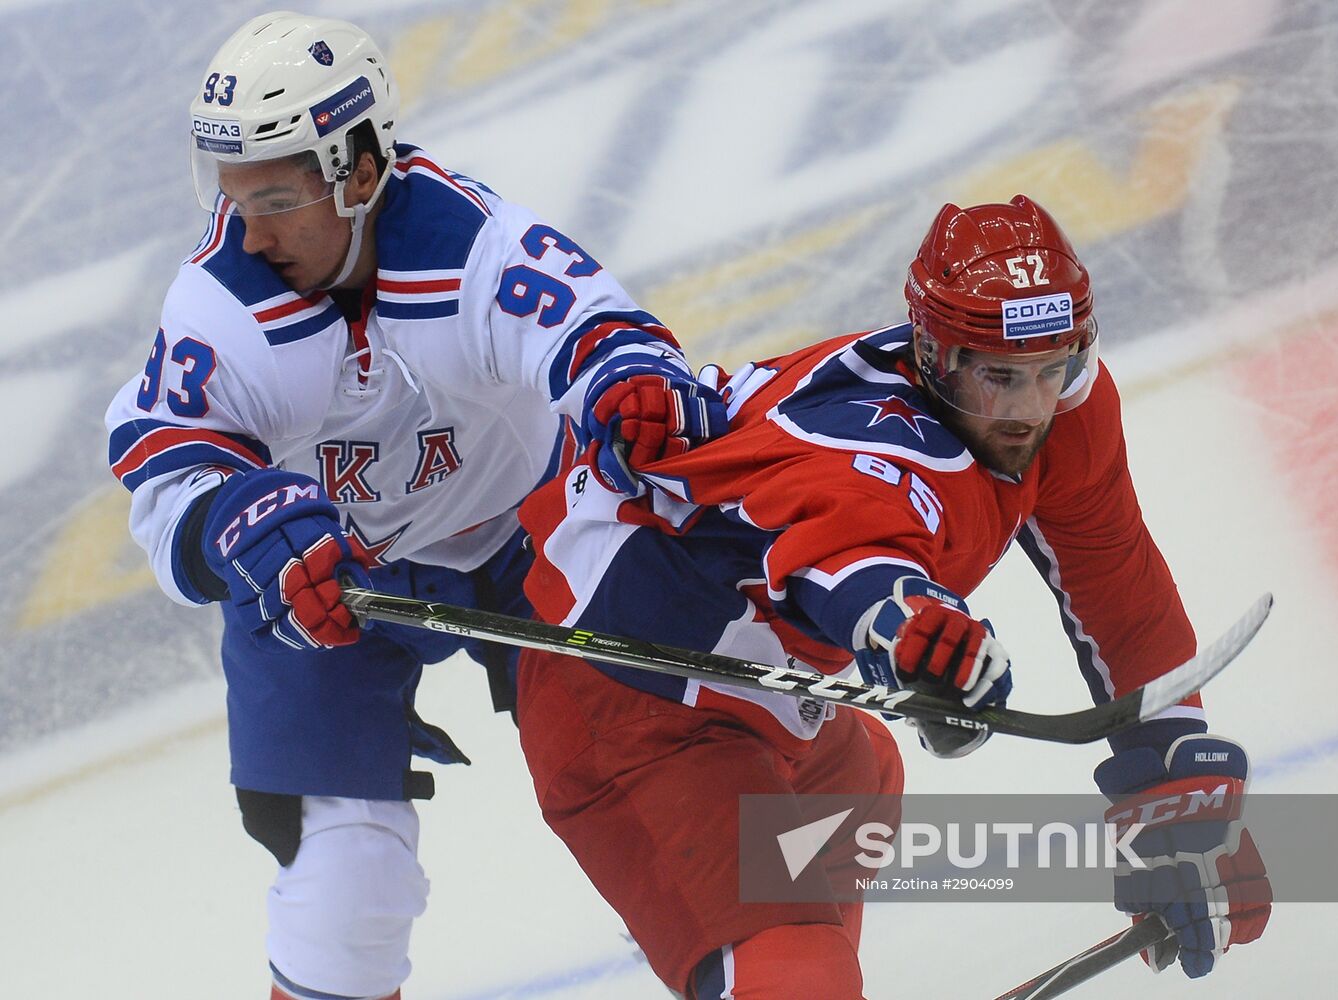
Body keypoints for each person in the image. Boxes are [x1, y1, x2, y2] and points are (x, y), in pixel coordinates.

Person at [104, 11, 725, 1000]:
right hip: (322, 579)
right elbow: (168, 467)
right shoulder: (221, 300)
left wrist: (631, 384)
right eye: (230, 195)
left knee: (660, 786)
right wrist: (243, 525)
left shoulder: (469, 244)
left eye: (272, 196)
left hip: (534, 544)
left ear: (358, 172)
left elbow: (598, 333)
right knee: (341, 876)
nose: (246, 233)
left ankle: (769, 964)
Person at [516, 195, 1273, 998]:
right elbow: (848, 553)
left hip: (770, 701)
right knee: (795, 976)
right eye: (997, 377)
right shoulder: (876, 442)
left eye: (1051, 370)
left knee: (858, 782)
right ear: (934, 353)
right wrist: (908, 629)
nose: (1024, 409)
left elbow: (1113, 578)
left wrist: (1172, 787)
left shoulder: (1065, 404)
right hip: (628, 699)